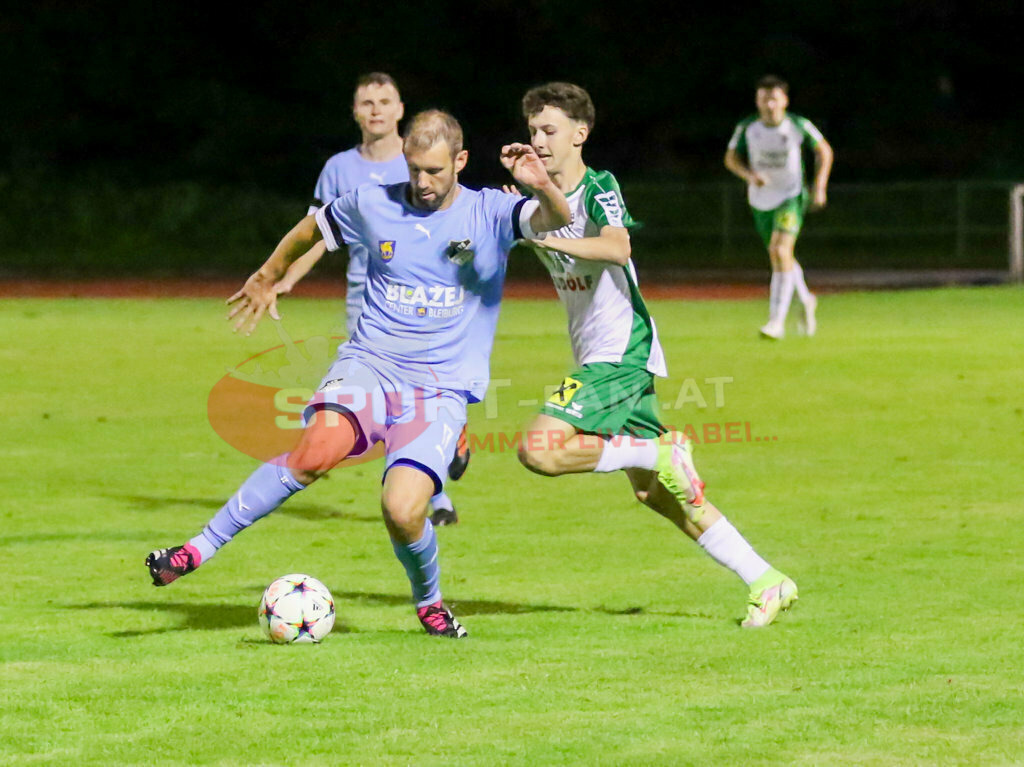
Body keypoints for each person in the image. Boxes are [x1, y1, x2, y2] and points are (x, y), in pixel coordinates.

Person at [146, 110, 571, 639]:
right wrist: (265, 277)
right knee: (314, 453)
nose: (422, 182)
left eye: (435, 171)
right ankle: (194, 550)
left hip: (439, 386)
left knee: (401, 509)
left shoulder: (491, 211)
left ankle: (430, 602)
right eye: (414, 169)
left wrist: (543, 185)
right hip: (369, 363)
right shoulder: (373, 202)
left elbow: (555, 221)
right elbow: (311, 229)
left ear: (460, 162)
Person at [514, 82, 796, 628]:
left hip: (619, 353)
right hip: (604, 357)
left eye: (549, 130)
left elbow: (618, 247)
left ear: (580, 133)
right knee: (657, 497)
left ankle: (658, 452)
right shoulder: (533, 209)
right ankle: (766, 579)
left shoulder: (599, 186)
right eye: (532, 132)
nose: (540, 141)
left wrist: (556, 243)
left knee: (540, 450)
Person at [274, 72, 466, 526]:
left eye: (385, 100)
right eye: (366, 102)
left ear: (401, 110)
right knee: (385, 403)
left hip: (425, 302)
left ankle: (435, 495)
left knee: (416, 396)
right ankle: (428, 491)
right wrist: (285, 277)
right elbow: (316, 234)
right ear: (355, 112)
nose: (376, 109)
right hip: (367, 304)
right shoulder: (339, 168)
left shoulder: (419, 159)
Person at [724, 75, 833, 339]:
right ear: (757, 101)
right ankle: (806, 299)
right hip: (761, 198)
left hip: (790, 196)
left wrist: (819, 186)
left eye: (774, 98)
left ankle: (776, 322)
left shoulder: (797, 125)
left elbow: (824, 150)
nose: (769, 104)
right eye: (764, 99)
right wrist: (750, 176)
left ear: (784, 100)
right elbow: (730, 158)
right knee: (780, 256)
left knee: (779, 249)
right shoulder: (748, 127)